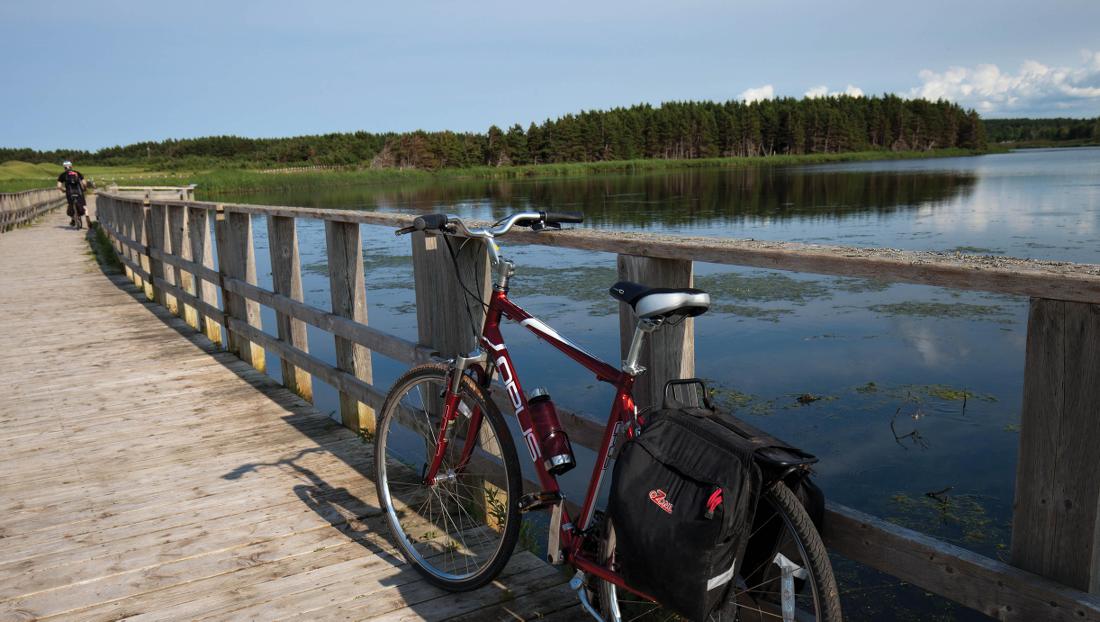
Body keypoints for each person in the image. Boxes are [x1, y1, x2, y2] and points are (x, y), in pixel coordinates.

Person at [57, 161, 87, 228]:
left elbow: (59, 186)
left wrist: (63, 190)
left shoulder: (62, 175)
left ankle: (73, 218)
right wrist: (84, 188)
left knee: (71, 205)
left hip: (69, 193)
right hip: (79, 192)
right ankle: (86, 216)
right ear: (71, 166)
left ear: (64, 167)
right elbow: (84, 183)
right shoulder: (77, 173)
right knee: (82, 204)